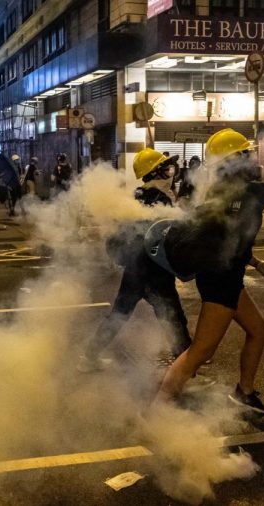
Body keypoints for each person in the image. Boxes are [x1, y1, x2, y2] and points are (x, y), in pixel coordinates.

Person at [153, 129, 264, 414]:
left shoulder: (219, 193)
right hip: (222, 282)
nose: (252, 158)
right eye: (246, 153)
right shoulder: (254, 192)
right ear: (235, 160)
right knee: (201, 351)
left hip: (223, 276)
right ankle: (159, 407)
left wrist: (257, 263)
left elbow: (231, 242)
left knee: (258, 329)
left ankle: (245, 393)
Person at [78, 148, 191, 373]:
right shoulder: (156, 198)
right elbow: (160, 235)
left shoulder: (142, 194)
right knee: (173, 319)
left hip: (135, 267)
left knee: (120, 314)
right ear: (156, 172)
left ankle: (89, 356)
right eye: (167, 168)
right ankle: (187, 368)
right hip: (154, 270)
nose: (172, 171)